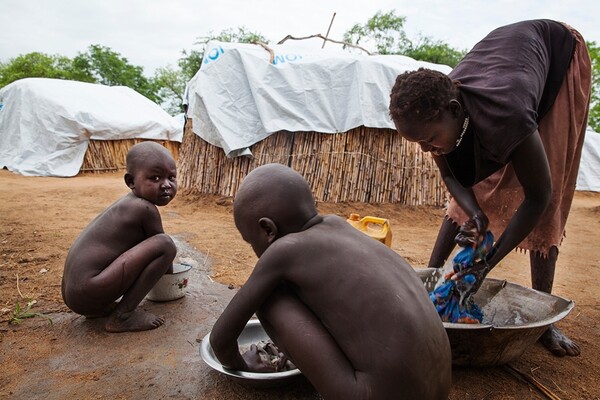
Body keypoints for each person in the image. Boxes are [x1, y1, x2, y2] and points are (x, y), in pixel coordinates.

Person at [389, 19, 591, 357]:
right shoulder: (436, 108)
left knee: (549, 184)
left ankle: (545, 323)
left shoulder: (505, 113)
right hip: (509, 59)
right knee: (468, 182)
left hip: (557, 56)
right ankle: (430, 283)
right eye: (418, 144)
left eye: (428, 141)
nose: (425, 150)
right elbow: (453, 176)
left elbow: (539, 196)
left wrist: (487, 262)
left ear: (455, 112)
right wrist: (476, 214)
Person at [209, 163, 451, 400]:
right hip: (438, 387)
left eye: (250, 241)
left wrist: (245, 365)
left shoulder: (284, 250)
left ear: (267, 229)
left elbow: (220, 339)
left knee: (268, 297)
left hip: (371, 394)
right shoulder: (338, 225)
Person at [61, 141, 178, 333]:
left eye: (171, 177)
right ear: (131, 181)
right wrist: (171, 285)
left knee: (159, 245)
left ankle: (101, 310)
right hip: (89, 290)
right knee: (165, 244)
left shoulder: (128, 204)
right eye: (155, 178)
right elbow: (163, 254)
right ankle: (122, 317)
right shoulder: (144, 209)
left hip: (78, 296)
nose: (166, 185)